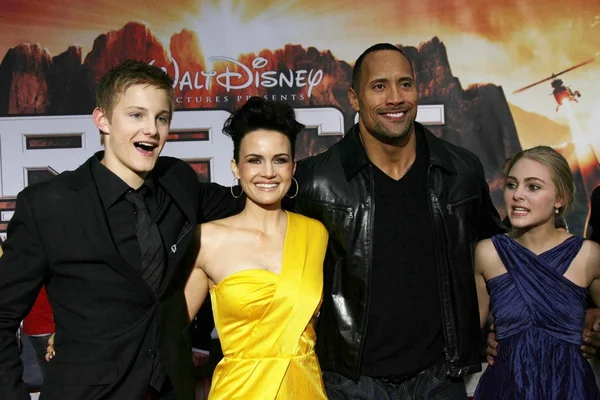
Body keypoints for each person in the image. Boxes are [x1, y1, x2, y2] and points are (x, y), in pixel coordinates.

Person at [0, 60, 239, 400]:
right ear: (103, 120)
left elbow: (248, 198)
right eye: (136, 115)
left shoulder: (178, 181)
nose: (152, 130)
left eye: (161, 118)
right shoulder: (48, 205)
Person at [289, 42, 506, 399]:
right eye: (379, 86)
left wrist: (508, 324)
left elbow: (497, 255)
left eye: (405, 84)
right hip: (349, 383)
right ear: (354, 98)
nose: (395, 98)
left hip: (440, 380)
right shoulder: (315, 181)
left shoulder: (461, 170)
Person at [183, 96, 329, 399]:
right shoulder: (206, 240)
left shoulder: (315, 234)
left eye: (279, 159)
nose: (268, 172)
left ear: (293, 167)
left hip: (305, 389)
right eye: (254, 160)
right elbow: (165, 331)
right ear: (236, 168)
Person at [473, 146, 600, 399]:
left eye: (533, 187)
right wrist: (482, 345)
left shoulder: (588, 255)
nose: (517, 195)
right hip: (506, 389)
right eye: (511, 185)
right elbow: (465, 334)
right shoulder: (488, 253)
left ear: (560, 198)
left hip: (570, 389)